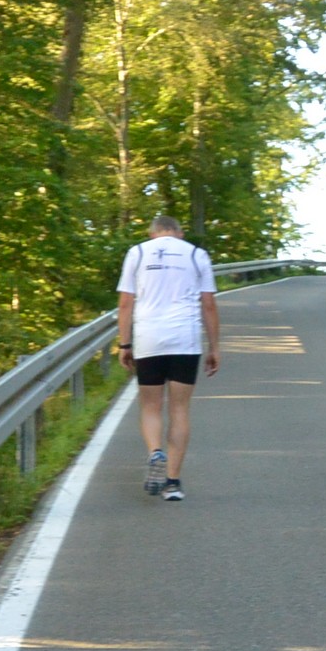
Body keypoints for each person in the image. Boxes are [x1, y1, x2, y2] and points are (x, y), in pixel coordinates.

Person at [115, 214, 220, 500]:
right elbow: (208, 304)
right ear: (179, 233)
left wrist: (124, 344)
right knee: (179, 409)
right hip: (185, 340)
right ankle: (172, 483)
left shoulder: (137, 253)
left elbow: (125, 303)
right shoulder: (196, 254)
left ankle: (155, 452)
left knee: (151, 406)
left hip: (149, 338)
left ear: (153, 234)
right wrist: (214, 347)